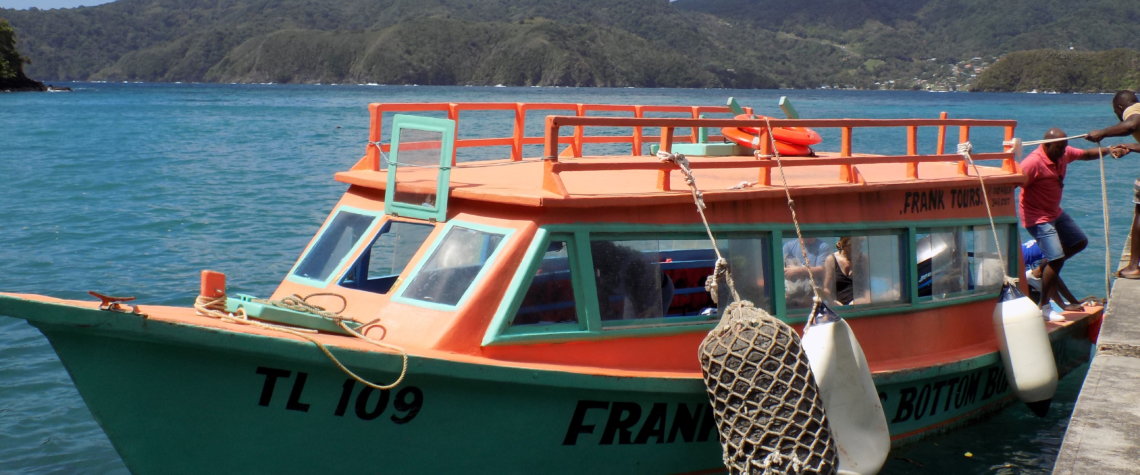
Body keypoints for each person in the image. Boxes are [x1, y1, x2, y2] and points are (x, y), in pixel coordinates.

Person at [1020, 128, 1125, 319]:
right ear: (1047, 145)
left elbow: (1085, 154)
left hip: (1055, 212)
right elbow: (1016, 180)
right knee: (1056, 258)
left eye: (1064, 147)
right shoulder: (1033, 162)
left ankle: (1036, 273)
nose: (1063, 152)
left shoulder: (1063, 153)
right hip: (1037, 217)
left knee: (1079, 242)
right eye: (1059, 148)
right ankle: (1044, 308)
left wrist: (1109, 150)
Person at [1086, 90, 1140, 279]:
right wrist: (1130, 148)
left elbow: (1131, 124)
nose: (1118, 116)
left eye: (1116, 112)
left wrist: (1103, 133)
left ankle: (1134, 266)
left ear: (1119, 107)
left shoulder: (1132, 110)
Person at [1021, 239, 1078, 308]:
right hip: (1019, 276)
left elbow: (1053, 278)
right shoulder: (1053, 252)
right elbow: (1046, 281)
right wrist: (1063, 305)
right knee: (1034, 300)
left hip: (1017, 268)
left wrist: (1073, 301)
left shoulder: (1047, 242)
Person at [783, 237, 831, 307]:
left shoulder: (823, 246)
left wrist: (799, 271)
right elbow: (781, 269)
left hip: (813, 294)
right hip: (792, 293)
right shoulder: (789, 246)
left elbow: (822, 270)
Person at [823, 236, 854, 305]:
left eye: (859, 244)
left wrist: (859, 301)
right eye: (852, 245)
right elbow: (826, 289)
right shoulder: (831, 259)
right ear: (843, 246)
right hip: (838, 307)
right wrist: (833, 302)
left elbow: (866, 289)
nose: (857, 248)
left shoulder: (862, 259)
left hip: (859, 306)